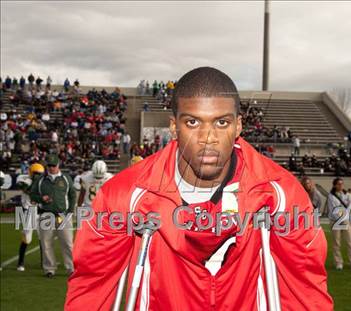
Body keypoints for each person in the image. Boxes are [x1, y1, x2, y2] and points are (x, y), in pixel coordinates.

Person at [65, 67, 333, 310]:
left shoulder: (281, 194)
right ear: (174, 126)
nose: (208, 138)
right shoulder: (125, 195)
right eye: (193, 122)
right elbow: (93, 285)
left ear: (239, 125)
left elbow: (304, 289)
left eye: (222, 122)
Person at [30, 154, 76, 278]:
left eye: (53, 165)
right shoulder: (40, 179)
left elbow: (72, 195)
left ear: (58, 165)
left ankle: (71, 268)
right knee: (46, 243)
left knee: (67, 243)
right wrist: (41, 198)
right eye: (49, 166)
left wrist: (70, 211)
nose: (51, 168)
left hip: (63, 215)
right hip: (46, 215)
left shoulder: (66, 178)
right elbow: (32, 195)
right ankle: (49, 269)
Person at [327, 177, 351, 271]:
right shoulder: (331, 196)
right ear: (335, 185)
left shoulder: (347, 194)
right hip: (335, 220)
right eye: (338, 184)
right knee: (336, 243)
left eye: (342, 184)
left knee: (350, 242)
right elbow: (333, 209)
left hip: (345, 220)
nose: (341, 186)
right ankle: (338, 263)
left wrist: (348, 209)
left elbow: (350, 206)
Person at [16, 163, 45, 271]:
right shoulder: (24, 179)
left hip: (41, 212)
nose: (38, 176)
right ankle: (20, 262)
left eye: (40, 174)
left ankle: (44, 262)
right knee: (27, 238)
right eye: (36, 174)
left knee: (43, 238)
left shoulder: (43, 182)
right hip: (29, 212)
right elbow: (21, 186)